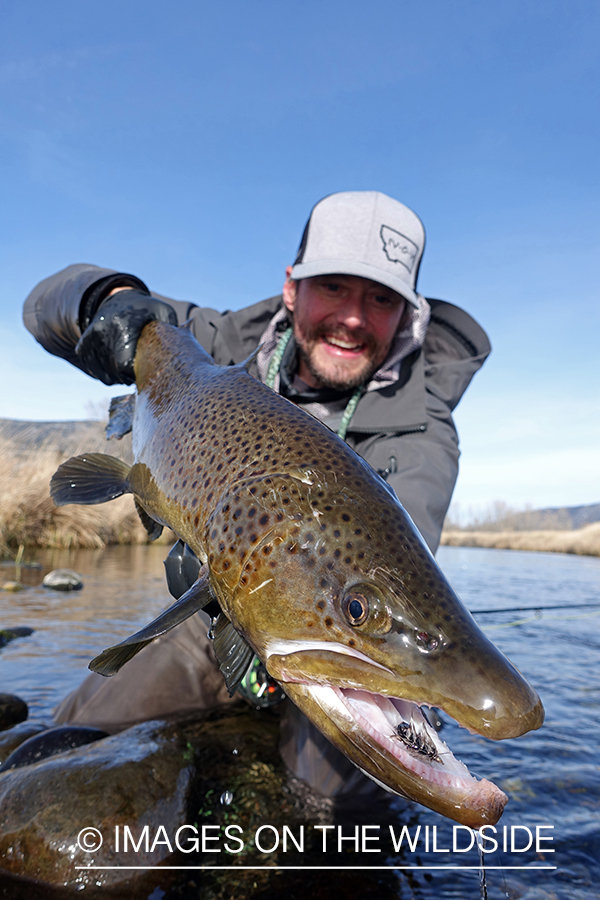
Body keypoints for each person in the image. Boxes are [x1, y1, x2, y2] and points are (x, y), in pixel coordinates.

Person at [23, 191, 491, 797]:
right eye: (334, 288)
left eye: (381, 299)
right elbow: (42, 307)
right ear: (292, 288)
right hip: (210, 606)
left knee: (341, 802)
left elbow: (388, 581)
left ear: (408, 315)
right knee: (74, 735)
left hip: (336, 636)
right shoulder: (214, 342)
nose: (353, 316)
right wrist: (108, 300)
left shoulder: (425, 430)